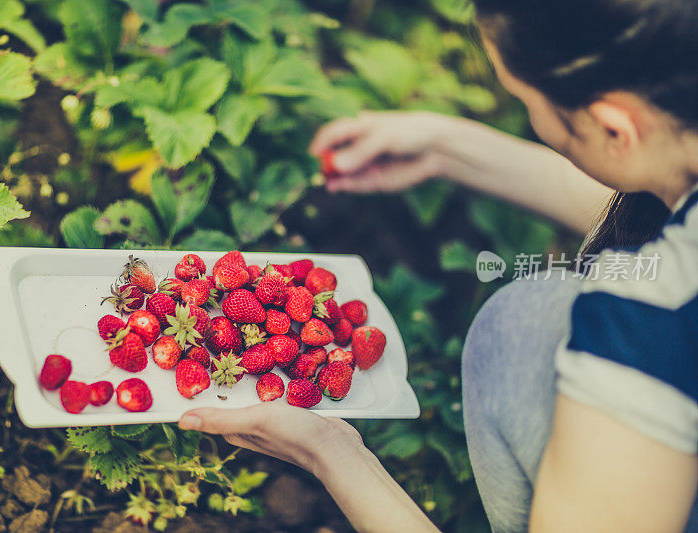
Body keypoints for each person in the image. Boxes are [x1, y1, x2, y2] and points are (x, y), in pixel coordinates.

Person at [178, 1, 698, 531]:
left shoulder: (654, 320)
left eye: (521, 99)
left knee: (522, 325)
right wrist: (447, 148)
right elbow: (658, 195)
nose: (532, 118)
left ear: (615, 127)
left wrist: (330, 452)